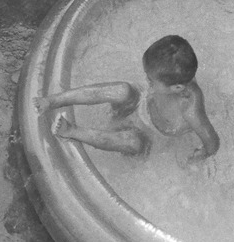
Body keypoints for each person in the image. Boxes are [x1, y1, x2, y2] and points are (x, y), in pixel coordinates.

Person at [36, 35, 220, 161]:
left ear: (177, 88)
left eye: (150, 80)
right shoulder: (175, 74)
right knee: (123, 90)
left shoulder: (190, 108)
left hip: (150, 135)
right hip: (141, 107)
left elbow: (212, 142)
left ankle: (72, 131)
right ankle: (54, 100)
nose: (147, 81)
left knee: (133, 142)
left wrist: (201, 155)